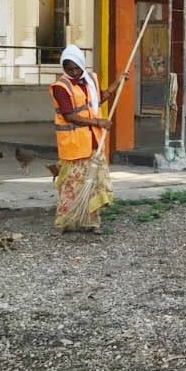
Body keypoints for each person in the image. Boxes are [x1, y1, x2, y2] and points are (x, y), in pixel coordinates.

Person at [49, 44, 129, 234]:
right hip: (74, 145)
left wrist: (117, 84)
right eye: (69, 69)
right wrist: (98, 122)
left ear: (82, 65)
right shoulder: (61, 87)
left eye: (77, 67)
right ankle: (65, 222)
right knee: (71, 185)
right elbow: (69, 115)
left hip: (93, 142)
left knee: (93, 184)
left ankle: (91, 222)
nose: (74, 72)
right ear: (64, 68)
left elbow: (98, 99)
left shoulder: (90, 79)